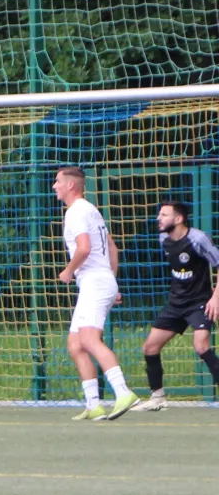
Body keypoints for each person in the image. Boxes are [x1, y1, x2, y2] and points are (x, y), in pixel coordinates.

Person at [54, 166, 136, 420]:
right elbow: (112, 248)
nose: (54, 186)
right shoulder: (91, 210)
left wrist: (68, 271)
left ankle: (123, 393)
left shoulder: (76, 211)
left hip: (94, 282)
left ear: (70, 185)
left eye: (57, 181)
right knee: (75, 343)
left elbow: (84, 248)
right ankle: (94, 405)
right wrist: (112, 281)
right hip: (99, 281)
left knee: (89, 339)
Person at [130, 201, 219, 411]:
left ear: (178, 219)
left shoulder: (197, 239)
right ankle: (158, 398)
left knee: (201, 346)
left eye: (164, 215)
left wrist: (215, 297)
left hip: (199, 302)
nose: (158, 218)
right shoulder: (163, 238)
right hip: (175, 303)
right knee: (150, 347)